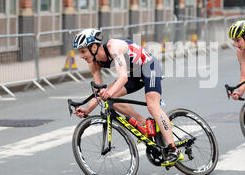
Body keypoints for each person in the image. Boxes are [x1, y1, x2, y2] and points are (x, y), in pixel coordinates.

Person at [72, 28, 184, 166]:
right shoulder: (93, 63)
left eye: (83, 51)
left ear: (94, 46)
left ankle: (173, 149)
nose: (81, 56)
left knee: (152, 105)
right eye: (79, 52)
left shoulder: (113, 46)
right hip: (134, 74)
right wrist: (87, 109)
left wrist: (109, 92)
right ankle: (144, 125)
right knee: (110, 99)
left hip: (149, 67)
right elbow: (99, 92)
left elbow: (123, 77)